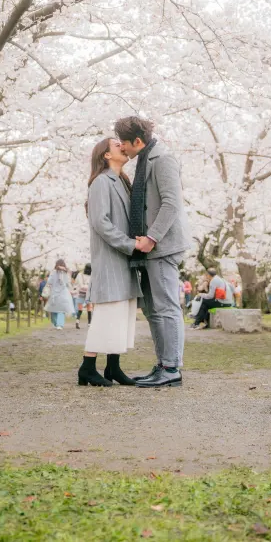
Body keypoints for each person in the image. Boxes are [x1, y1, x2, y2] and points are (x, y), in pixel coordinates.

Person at [114, 116, 191, 388]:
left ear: (138, 141)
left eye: (124, 143)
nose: (121, 148)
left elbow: (171, 203)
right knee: (153, 310)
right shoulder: (144, 161)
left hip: (161, 246)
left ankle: (172, 368)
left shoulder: (163, 160)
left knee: (167, 306)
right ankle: (163, 364)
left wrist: (151, 237)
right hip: (146, 250)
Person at [78, 138, 142, 387]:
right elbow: (101, 222)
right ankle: (87, 367)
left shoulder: (123, 182)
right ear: (106, 155)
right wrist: (131, 244)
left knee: (122, 312)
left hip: (124, 257)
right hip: (111, 256)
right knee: (108, 312)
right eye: (117, 145)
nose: (123, 147)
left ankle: (113, 367)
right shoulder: (101, 183)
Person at [44, 260, 74, 330]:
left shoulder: (53, 272)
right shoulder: (66, 273)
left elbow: (49, 282)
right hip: (64, 293)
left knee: (54, 309)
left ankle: (56, 323)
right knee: (61, 309)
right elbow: (68, 282)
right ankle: (59, 324)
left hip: (54, 293)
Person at [74, 263, 92, 330]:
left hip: (80, 293)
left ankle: (77, 322)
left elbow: (77, 283)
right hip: (89, 294)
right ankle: (89, 324)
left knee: (80, 309)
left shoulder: (80, 275)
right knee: (89, 308)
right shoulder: (92, 276)